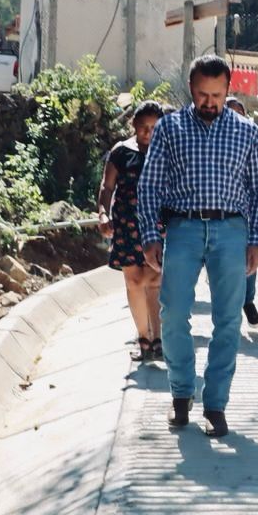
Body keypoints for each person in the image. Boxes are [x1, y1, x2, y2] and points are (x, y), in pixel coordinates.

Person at [137, 54, 258, 438]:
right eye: (202, 94)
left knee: (227, 320)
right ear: (191, 89)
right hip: (182, 228)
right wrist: (150, 235)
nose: (209, 102)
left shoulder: (247, 133)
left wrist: (255, 241)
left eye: (216, 94)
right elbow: (150, 185)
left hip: (231, 231)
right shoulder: (170, 128)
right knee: (173, 313)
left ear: (229, 90)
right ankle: (181, 394)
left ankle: (216, 404)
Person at [97, 100, 168, 361]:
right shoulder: (120, 152)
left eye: (154, 128)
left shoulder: (168, 153)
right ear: (134, 126)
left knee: (155, 280)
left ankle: (158, 337)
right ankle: (143, 339)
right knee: (134, 281)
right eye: (143, 127)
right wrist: (103, 213)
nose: (148, 133)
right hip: (126, 223)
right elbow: (107, 187)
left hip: (157, 224)